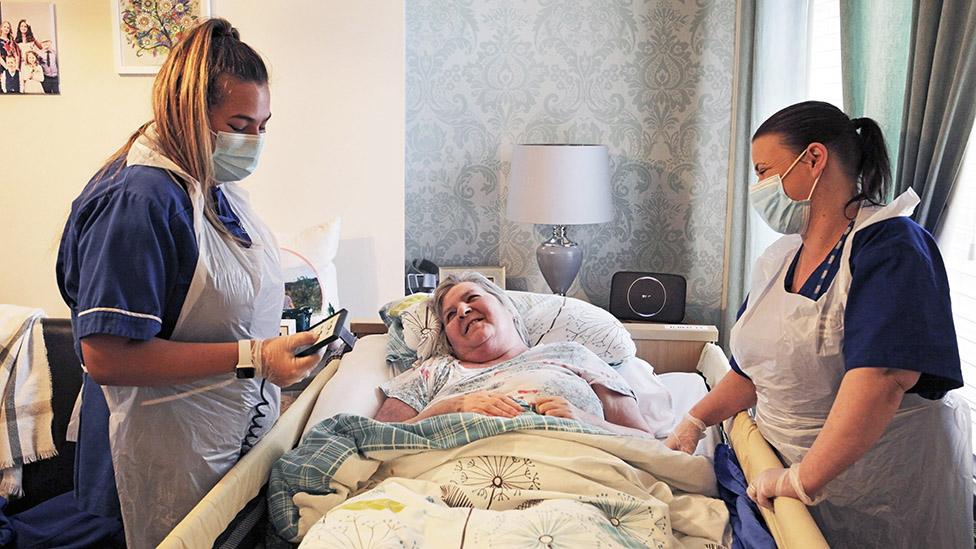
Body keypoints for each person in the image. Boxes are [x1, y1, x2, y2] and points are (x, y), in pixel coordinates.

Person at [42, 18, 325, 548]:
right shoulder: (140, 200)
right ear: (190, 114)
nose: (254, 141)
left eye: (264, 125)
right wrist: (256, 356)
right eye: (240, 124)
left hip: (210, 432)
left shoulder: (207, 183)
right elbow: (108, 357)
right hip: (156, 446)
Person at [666, 101, 971, 547]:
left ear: (813, 159)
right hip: (785, 482)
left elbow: (883, 379)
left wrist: (801, 480)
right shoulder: (781, 257)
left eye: (764, 170)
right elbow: (753, 371)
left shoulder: (891, 246)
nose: (759, 187)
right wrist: (695, 419)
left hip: (876, 489)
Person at [374, 273, 654, 438]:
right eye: (450, 314)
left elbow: (646, 442)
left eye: (472, 299)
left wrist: (586, 421)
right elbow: (377, 438)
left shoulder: (572, 355)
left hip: (577, 472)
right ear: (449, 340)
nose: (462, 311)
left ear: (508, 308)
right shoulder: (433, 371)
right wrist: (451, 407)